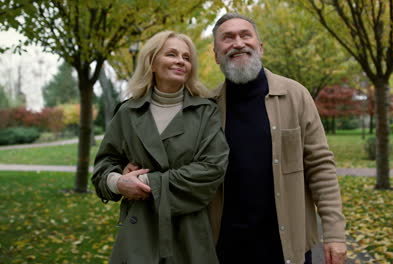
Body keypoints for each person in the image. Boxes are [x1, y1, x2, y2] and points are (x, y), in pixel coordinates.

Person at [208, 13, 347, 264]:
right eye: (227, 38)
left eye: (245, 35)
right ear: (216, 54)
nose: (238, 43)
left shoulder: (295, 95)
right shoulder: (206, 107)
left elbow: (321, 167)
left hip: (286, 247)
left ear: (260, 47)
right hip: (224, 249)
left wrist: (335, 234)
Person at [92, 31, 229, 264]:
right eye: (172, 54)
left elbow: (212, 168)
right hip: (139, 232)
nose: (181, 61)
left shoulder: (206, 111)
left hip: (189, 233)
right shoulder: (128, 112)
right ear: (152, 62)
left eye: (186, 58)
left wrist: (146, 183)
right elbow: (103, 167)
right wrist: (117, 183)